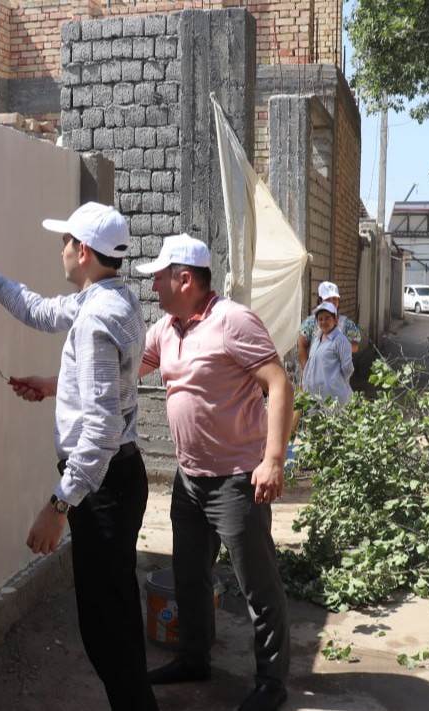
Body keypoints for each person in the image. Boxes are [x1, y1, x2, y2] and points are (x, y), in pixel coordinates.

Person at [0, 202, 157, 711]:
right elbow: (35, 309)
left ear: (84, 251)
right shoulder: (113, 299)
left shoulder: (97, 318)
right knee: (116, 624)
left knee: (108, 634)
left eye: (65, 242)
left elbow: (101, 429)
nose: (60, 249)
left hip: (103, 488)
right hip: (118, 479)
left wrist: (58, 505)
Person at [136, 234, 293, 711]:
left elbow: (279, 383)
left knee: (258, 587)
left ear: (184, 279)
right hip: (189, 479)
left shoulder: (233, 321)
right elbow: (125, 370)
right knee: (189, 577)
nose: (153, 285)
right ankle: (193, 658)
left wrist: (273, 459)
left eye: (159, 277)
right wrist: (56, 384)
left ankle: (271, 683)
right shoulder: (165, 329)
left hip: (237, 480)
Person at [298, 281, 362, 372]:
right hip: (315, 374)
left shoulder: (347, 324)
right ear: (320, 300)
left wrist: (340, 345)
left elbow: (356, 346)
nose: (332, 302)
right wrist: (306, 372)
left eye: (335, 299)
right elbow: (302, 346)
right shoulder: (310, 323)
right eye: (328, 299)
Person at [300, 301, 354, 407]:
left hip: (333, 398)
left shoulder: (340, 341)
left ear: (335, 320)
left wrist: (334, 382)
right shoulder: (317, 339)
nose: (323, 322)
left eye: (327, 318)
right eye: (320, 319)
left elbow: (348, 369)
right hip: (316, 398)